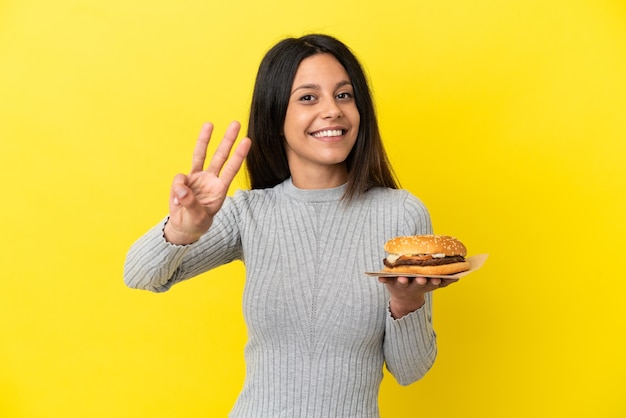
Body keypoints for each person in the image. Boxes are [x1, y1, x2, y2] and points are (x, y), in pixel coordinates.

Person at [124, 33, 457, 417]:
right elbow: (139, 275)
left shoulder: (401, 214)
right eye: (308, 97)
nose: (332, 110)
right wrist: (181, 231)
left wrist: (406, 301)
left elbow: (410, 371)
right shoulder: (250, 212)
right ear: (275, 115)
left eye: (344, 95)